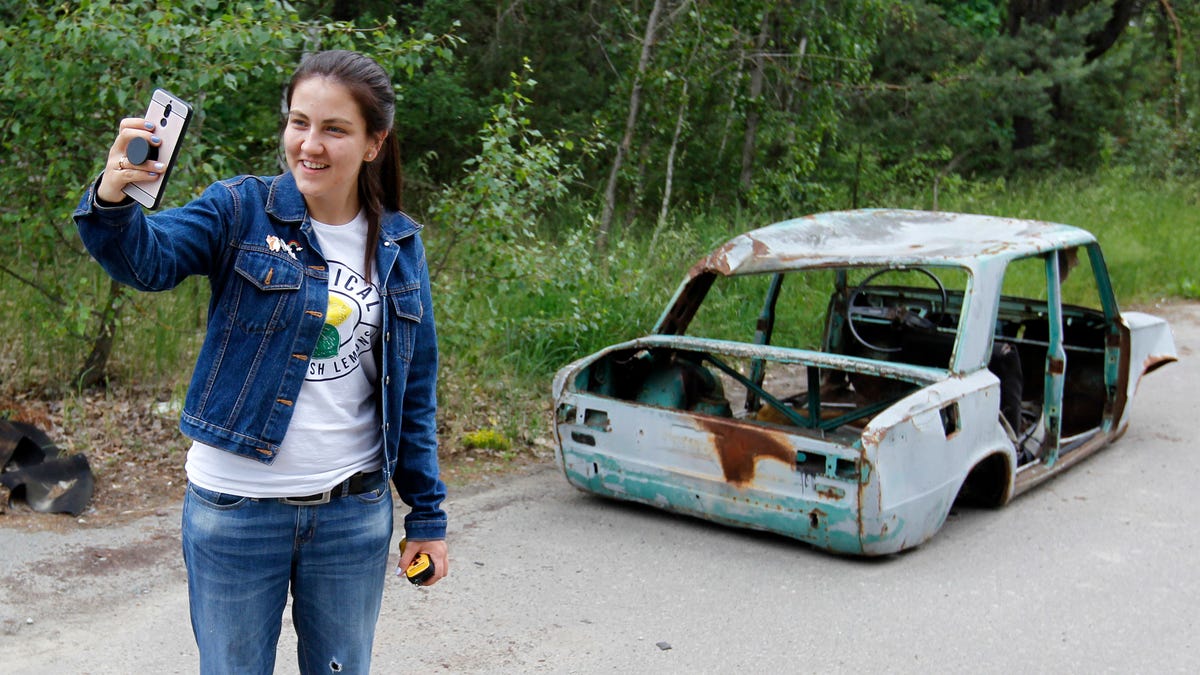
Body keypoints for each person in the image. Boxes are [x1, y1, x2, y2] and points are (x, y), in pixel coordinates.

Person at [73, 50, 448, 674]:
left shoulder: (400, 245)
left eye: (334, 129)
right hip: (235, 512)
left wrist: (428, 517)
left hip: (352, 516)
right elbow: (150, 261)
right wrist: (115, 201)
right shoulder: (239, 210)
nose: (310, 144)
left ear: (374, 142)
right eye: (299, 123)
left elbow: (415, 393)